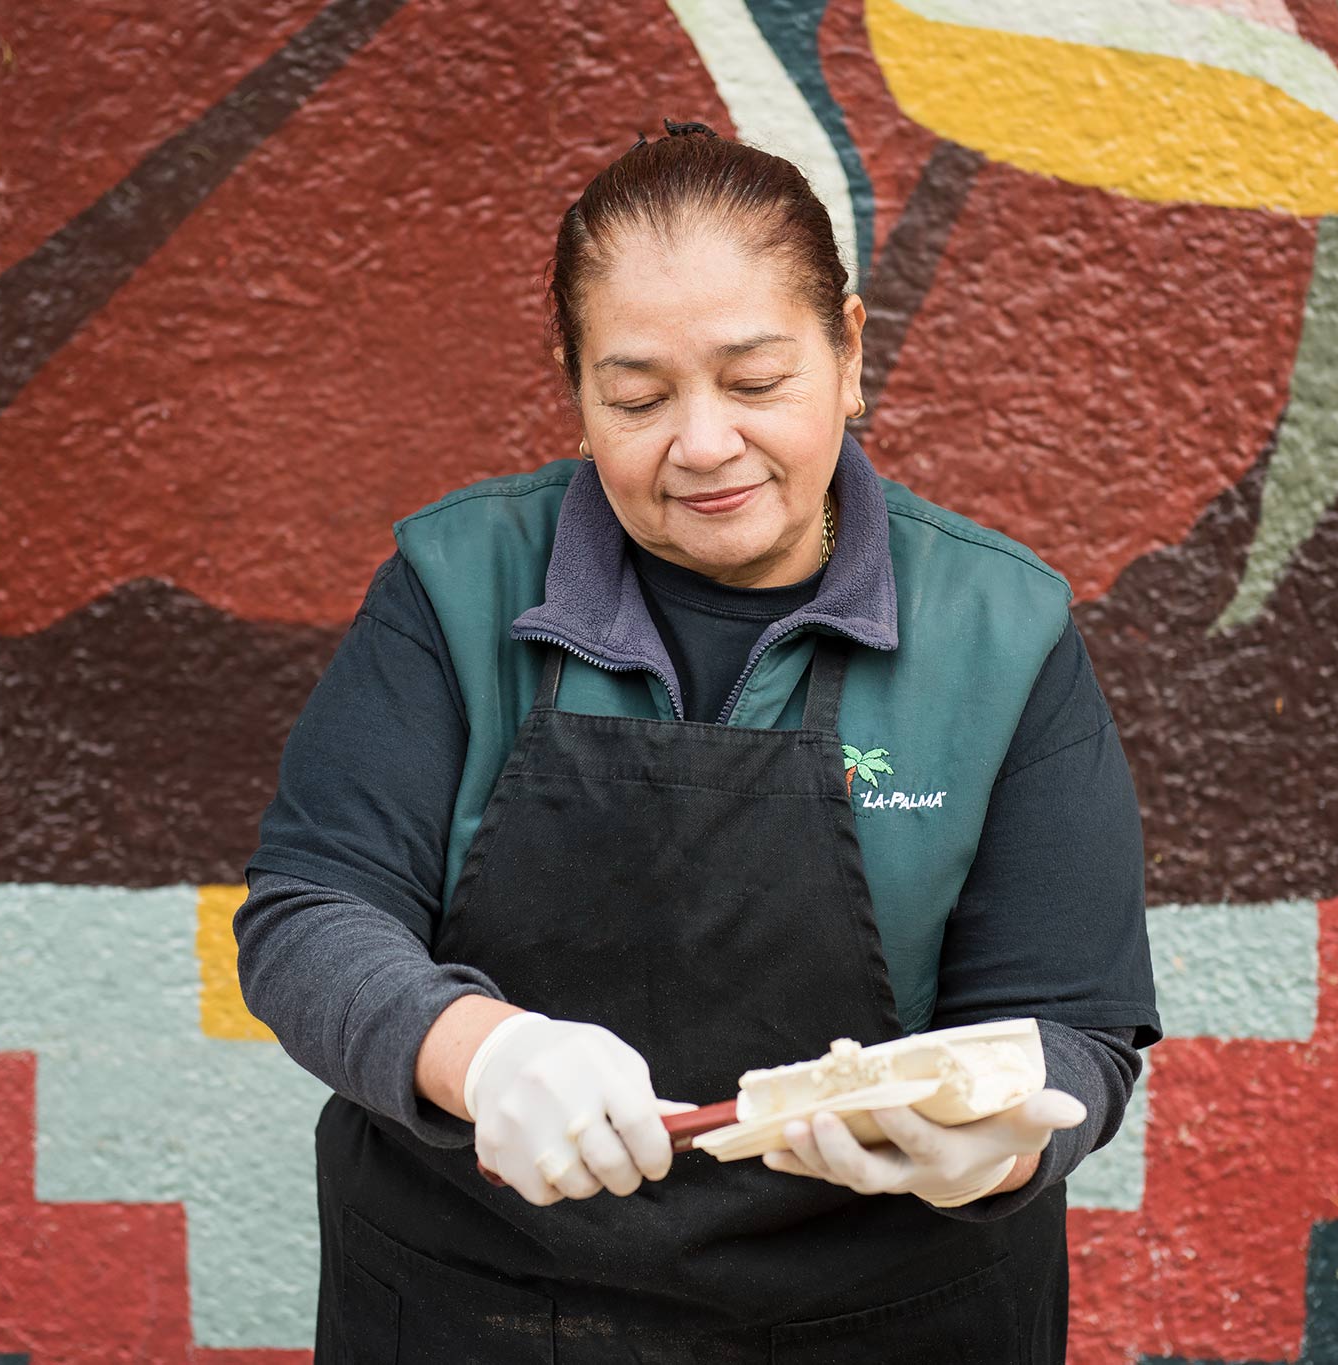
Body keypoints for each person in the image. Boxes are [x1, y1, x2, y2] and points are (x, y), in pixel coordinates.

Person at [236, 118, 1162, 1363]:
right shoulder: (456, 587)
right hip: (488, 1313)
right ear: (574, 391)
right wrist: (478, 1053)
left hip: (897, 1322)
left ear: (849, 353)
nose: (702, 443)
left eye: (756, 380)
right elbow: (307, 914)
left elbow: (1072, 1020)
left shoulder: (1000, 630)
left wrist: (1000, 1140)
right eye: (637, 394)